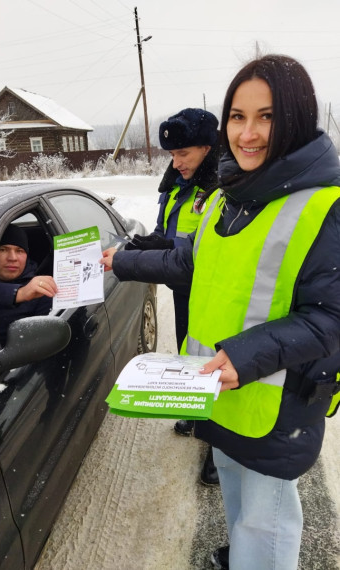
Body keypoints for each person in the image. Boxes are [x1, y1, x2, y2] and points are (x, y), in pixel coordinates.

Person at [100, 54, 340, 570]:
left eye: (267, 116)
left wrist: (244, 356)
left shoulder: (325, 205)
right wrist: (121, 260)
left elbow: (330, 317)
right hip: (217, 390)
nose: (248, 133)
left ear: (296, 118)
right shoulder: (230, 198)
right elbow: (190, 260)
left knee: (266, 519)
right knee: (237, 498)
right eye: (237, 115)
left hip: (272, 404)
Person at [125, 107, 220, 484]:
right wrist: (150, 243)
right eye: (173, 156)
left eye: (184, 154)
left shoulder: (220, 190)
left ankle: (217, 447)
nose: (177, 162)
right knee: (188, 354)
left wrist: (136, 261)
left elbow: (198, 255)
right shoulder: (179, 185)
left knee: (213, 364)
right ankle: (197, 412)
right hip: (183, 290)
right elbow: (171, 234)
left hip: (211, 293)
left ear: (208, 149)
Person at [0, 224, 57, 344]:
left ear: (26, 256)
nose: (12, 258)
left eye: (20, 251)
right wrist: (19, 293)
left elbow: (41, 343)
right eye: (3, 249)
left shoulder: (40, 291)